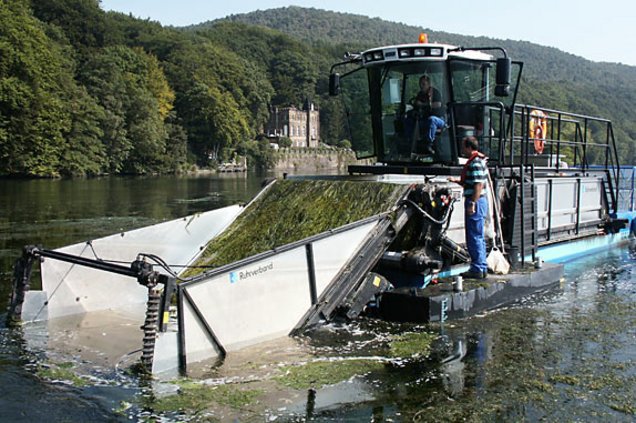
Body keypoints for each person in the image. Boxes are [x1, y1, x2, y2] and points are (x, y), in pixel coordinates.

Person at [450, 136, 488, 279]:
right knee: (477, 235)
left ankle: (477, 268)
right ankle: (481, 266)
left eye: (463, 147)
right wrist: (457, 181)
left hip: (475, 201)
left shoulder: (476, 162)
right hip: (478, 200)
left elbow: (478, 185)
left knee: (474, 236)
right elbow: (473, 183)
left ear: (469, 147)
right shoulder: (478, 161)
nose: (462, 150)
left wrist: (472, 203)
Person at [406, 75, 445, 155]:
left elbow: (438, 104)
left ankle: (429, 144)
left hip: (439, 120)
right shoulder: (420, 94)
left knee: (432, 120)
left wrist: (423, 104)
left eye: (424, 84)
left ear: (429, 84)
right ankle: (409, 142)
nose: (421, 86)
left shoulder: (435, 92)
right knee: (408, 120)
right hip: (424, 120)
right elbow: (417, 105)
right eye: (420, 84)